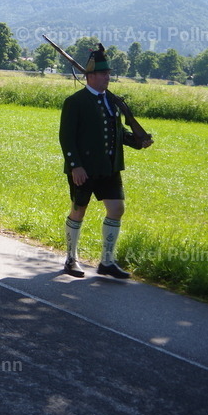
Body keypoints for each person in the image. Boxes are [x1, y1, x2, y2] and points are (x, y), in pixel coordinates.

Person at [58, 44, 153, 280]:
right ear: (90, 76)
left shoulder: (111, 101)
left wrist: (137, 142)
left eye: (108, 73)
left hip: (109, 167)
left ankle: (107, 262)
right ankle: (71, 259)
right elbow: (66, 138)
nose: (107, 77)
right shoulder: (75, 101)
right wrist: (75, 166)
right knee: (78, 211)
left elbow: (117, 132)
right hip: (84, 169)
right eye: (103, 74)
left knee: (117, 209)